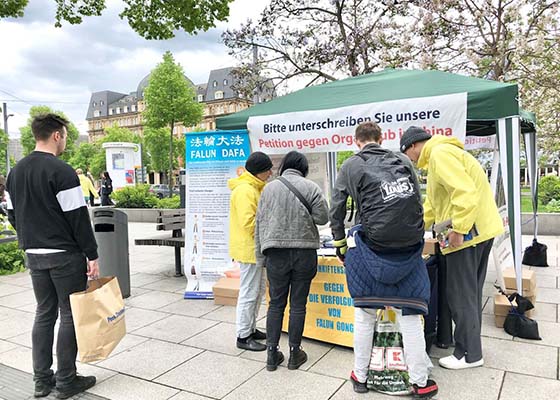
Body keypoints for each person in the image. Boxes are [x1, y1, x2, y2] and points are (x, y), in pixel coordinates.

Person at [329, 122, 438, 398]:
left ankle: (360, 376)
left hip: (371, 247)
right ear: (381, 138)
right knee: (410, 317)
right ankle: (421, 382)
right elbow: (417, 200)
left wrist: (340, 245)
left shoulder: (351, 165)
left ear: (357, 142)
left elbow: (336, 209)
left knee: (364, 316)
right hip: (408, 249)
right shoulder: (402, 160)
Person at [5, 113, 98, 399]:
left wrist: (32, 237)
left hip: (34, 255)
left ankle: (41, 380)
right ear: (57, 135)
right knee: (69, 314)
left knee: (44, 312)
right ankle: (67, 380)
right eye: (65, 136)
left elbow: (12, 214)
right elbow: (78, 217)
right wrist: (92, 254)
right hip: (64, 255)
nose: (65, 141)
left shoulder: (15, 172)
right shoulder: (62, 171)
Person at [400, 126, 503, 370]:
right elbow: (434, 205)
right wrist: (414, 228)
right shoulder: (443, 153)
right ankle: (470, 347)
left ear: (413, 145)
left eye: (407, 154)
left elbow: (464, 193)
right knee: (469, 294)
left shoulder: (440, 154)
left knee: (460, 295)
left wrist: (459, 229)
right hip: (480, 231)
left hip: (468, 236)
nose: (410, 160)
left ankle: (468, 354)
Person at [255, 151, 329, 371]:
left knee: (275, 304)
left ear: (284, 166)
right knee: (298, 304)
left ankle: (271, 354)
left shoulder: (268, 189)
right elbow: (322, 218)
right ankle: (295, 353)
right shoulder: (311, 187)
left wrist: (261, 258)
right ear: (303, 168)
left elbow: (260, 224)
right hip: (304, 253)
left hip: (275, 253)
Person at [228, 151, 273, 352]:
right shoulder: (245, 190)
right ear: (258, 171)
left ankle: (250, 328)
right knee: (249, 292)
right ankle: (243, 335)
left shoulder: (254, 187)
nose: (270, 173)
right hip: (249, 249)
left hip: (254, 249)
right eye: (267, 170)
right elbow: (249, 223)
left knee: (257, 291)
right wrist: (271, 227)